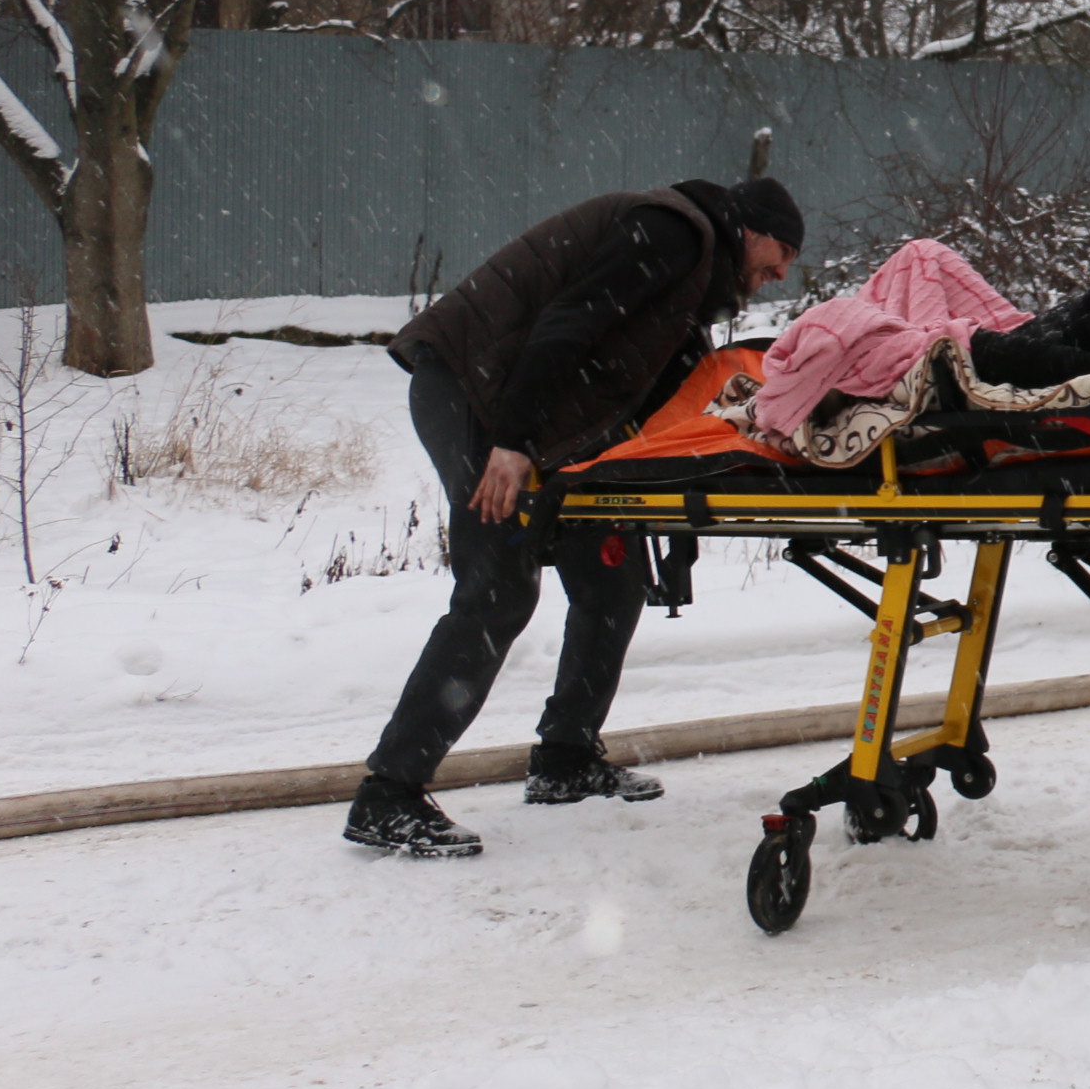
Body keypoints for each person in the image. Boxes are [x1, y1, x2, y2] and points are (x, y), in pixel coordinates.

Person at [342, 175, 804, 858]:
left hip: (539, 417)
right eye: (782, 253)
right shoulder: (673, 233)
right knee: (497, 592)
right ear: (752, 229)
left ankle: (565, 759)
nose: (781, 273)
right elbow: (568, 324)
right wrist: (512, 443)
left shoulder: (694, 273)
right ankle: (388, 794)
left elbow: (668, 392)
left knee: (611, 578)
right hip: (477, 392)